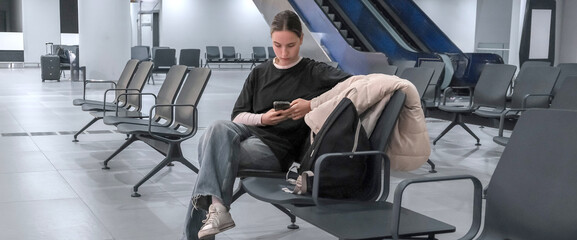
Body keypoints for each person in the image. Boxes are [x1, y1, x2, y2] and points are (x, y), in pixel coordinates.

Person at [181, 10, 351, 240]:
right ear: (271, 39)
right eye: (277, 45)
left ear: (301, 39)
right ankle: (217, 209)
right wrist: (263, 118)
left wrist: (311, 105)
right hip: (248, 132)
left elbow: (355, 85)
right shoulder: (260, 72)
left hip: (276, 149)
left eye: (290, 45)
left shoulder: (315, 71)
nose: (284, 53)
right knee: (216, 128)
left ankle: (212, 216)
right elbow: (238, 116)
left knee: (210, 154)